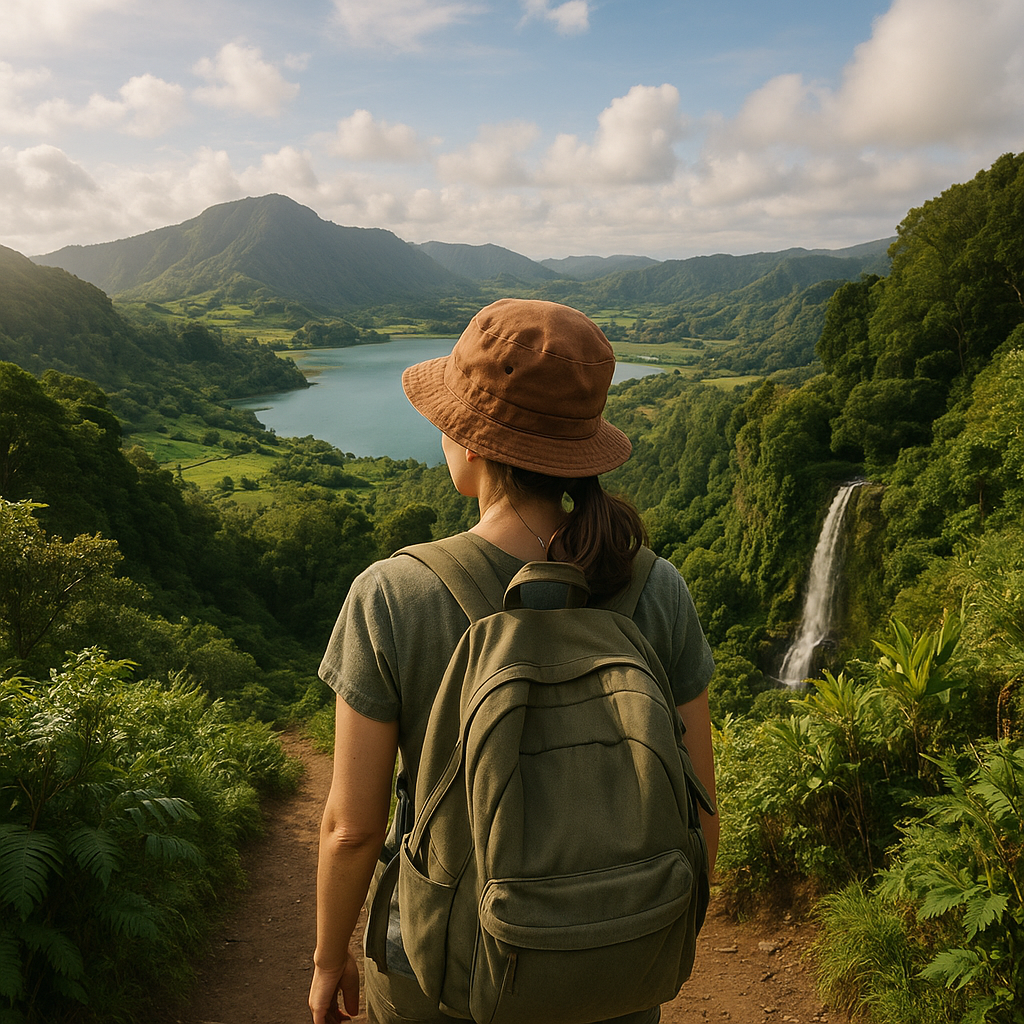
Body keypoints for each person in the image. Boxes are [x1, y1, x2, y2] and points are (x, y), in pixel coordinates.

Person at [309, 298, 718, 1024]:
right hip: (614, 968)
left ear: (471, 443)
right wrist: (629, 939)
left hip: (441, 977)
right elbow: (700, 809)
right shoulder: (656, 587)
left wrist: (326, 954)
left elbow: (352, 827)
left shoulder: (394, 593)